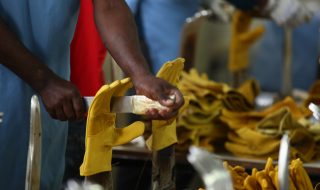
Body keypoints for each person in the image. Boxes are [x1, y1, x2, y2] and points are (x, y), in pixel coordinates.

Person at [0, 0, 184, 189]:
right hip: (18, 86)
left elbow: (110, 6)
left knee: (38, 176)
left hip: (48, 98)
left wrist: (141, 75)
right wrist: (44, 81)